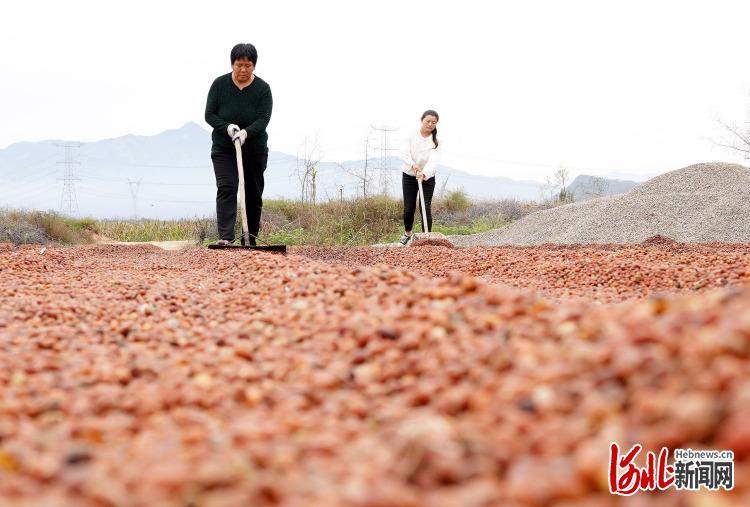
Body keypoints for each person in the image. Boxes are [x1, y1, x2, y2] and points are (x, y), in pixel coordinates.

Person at [205, 43, 273, 246]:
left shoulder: (263, 89)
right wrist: (226, 127)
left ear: (254, 66)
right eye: (238, 65)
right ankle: (226, 238)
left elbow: (263, 119)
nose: (243, 70)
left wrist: (246, 133)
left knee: (252, 193)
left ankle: (249, 238)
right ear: (232, 64)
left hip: (253, 149)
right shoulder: (219, 85)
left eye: (248, 65)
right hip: (224, 149)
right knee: (227, 187)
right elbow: (209, 115)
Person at [398, 110, 441, 246]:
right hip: (410, 175)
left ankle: (425, 238)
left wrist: (424, 173)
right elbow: (404, 153)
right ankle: (407, 234)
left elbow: (434, 161)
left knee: (425, 206)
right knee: (409, 207)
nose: (430, 124)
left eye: (433, 122)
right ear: (421, 120)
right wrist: (413, 165)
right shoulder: (411, 135)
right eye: (428, 121)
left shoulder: (435, 141)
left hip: (427, 177)